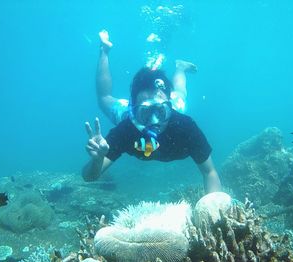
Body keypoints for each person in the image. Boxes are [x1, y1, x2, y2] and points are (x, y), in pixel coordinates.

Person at [82, 30, 221, 194]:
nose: (155, 120)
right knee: (104, 99)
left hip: (172, 105)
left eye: (161, 111)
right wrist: (97, 161)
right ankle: (104, 51)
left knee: (181, 94)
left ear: (169, 106)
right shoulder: (125, 129)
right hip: (130, 115)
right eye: (146, 112)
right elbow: (88, 177)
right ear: (133, 108)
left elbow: (209, 172)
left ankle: (180, 68)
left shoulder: (185, 126)